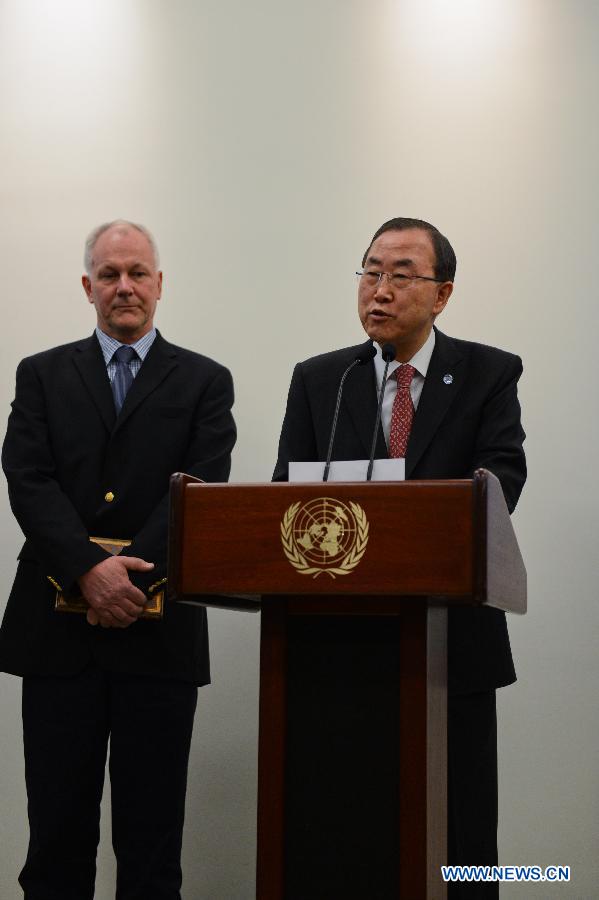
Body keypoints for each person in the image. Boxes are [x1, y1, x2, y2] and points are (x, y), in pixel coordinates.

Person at [273, 217, 526, 896]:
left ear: (441, 294)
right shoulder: (321, 380)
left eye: (400, 275)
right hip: (339, 649)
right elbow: (282, 501)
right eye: (369, 272)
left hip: (451, 647)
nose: (378, 291)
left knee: (462, 839)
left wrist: (419, 525)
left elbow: (500, 481)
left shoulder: (487, 373)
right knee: (345, 834)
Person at [1, 220, 236, 899]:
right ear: (87, 287)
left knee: (152, 843)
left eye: (137, 273)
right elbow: (28, 478)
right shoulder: (42, 374)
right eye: (109, 275)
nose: (124, 287)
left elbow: (200, 484)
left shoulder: (204, 382)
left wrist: (128, 577)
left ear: (159, 285)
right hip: (56, 635)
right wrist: (88, 570)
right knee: (55, 839)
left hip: (158, 635)